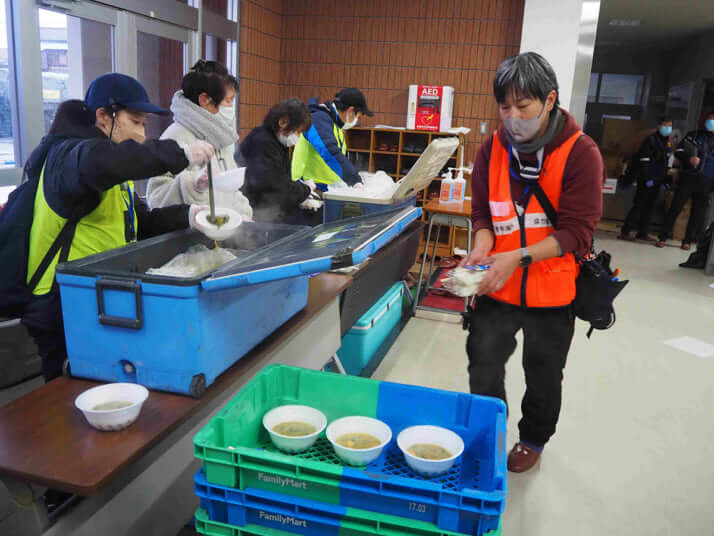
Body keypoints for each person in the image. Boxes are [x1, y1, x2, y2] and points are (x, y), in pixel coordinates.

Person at [461, 52, 604, 473]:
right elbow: (484, 212)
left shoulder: (582, 153)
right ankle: (491, 430)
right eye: (505, 107)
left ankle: (533, 439)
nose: (512, 116)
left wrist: (517, 258)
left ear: (550, 100)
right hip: (497, 284)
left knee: (543, 373)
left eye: (523, 106)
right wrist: (482, 244)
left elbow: (578, 233)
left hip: (553, 288)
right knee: (483, 361)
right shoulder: (493, 148)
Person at [20, 73, 215, 382]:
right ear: (103, 116)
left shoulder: (113, 175)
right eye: (136, 122)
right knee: (68, 399)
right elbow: (100, 163)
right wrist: (180, 154)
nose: (141, 134)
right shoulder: (69, 156)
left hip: (100, 294)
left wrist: (190, 214)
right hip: (62, 301)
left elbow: (141, 224)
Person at [146, 60, 252, 220]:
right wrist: (192, 185)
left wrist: (244, 215)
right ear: (205, 100)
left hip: (222, 235)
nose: (230, 108)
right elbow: (155, 198)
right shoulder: (175, 136)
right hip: (190, 238)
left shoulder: (219, 139)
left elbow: (231, 190)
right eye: (227, 100)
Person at [240, 98, 318, 224]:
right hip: (257, 213)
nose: (298, 137)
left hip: (270, 209)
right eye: (297, 131)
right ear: (282, 122)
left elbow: (280, 177)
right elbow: (274, 184)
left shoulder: (276, 141)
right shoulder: (262, 142)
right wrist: (305, 190)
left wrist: (300, 193)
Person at [291, 88, 373, 188]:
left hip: (325, 189)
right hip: (307, 188)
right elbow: (330, 152)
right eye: (358, 116)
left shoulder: (336, 126)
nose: (356, 121)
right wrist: (354, 180)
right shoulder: (318, 120)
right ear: (351, 110)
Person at [656, 111, 714, 249]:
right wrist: (689, 159)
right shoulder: (693, 136)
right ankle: (663, 237)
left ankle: (687, 240)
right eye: (709, 120)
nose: (710, 123)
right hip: (688, 179)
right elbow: (679, 151)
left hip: (707, 182)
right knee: (675, 207)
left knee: (697, 213)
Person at [618, 117, 673, 242]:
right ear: (659, 126)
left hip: (658, 179)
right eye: (666, 126)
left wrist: (664, 178)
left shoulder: (667, 142)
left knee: (650, 206)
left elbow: (667, 160)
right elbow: (644, 160)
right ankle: (625, 231)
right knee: (639, 205)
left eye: (670, 126)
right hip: (646, 178)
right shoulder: (651, 140)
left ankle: (642, 232)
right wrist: (647, 178)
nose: (668, 129)